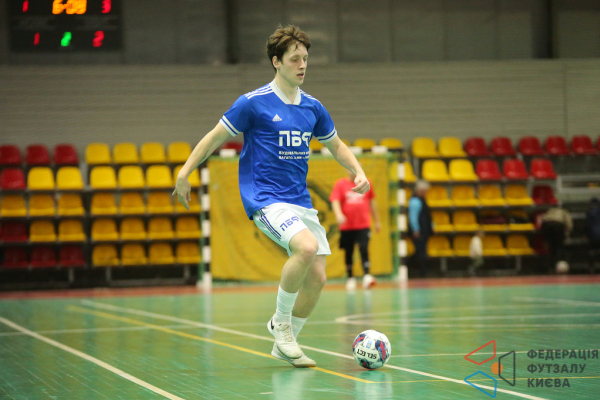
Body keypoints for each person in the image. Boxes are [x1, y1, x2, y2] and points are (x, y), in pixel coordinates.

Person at [172, 25, 371, 368]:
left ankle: (285, 341)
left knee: (318, 278)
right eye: (294, 59)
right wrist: (184, 172)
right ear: (276, 62)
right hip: (265, 197)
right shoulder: (252, 103)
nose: (302, 65)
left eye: (305, 58)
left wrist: (358, 170)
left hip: (299, 200)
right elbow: (214, 137)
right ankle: (281, 325)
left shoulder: (313, 107)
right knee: (305, 248)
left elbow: (336, 145)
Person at [330, 170, 381, 291]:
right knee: (348, 251)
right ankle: (350, 278)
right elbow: (335, 200)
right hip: (347, 226)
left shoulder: (366, 183)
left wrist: (377, 220)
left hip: (363, 224)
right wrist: (338, 214)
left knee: (364, 248)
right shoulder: (340, 184)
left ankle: (367, 276)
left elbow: (372, 202)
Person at [408, 180, 432, 277]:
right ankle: (421, 272)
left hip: (424, 230)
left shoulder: (422, 199)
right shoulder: (415, 201)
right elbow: (413, 217)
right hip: (419, 231)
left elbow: (427, 215)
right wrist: (415, 229)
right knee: (420, 252)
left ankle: (421, 271)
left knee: (421, 251)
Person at [540, 206, 573, 272]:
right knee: (559, 247)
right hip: (558, 225)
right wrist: (566, 235)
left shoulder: (550, 211)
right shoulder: (564, 212)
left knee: (550, 247)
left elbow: (543, 221)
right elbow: (569, 225)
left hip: (546, 225)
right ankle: (558, 265)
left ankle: (549, 266)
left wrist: (545, 238)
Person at [585, 198, 600, 271]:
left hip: (594, 235)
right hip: (595, 234)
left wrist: (586, 235)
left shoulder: (590, 213)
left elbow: (587, 225)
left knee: (592, 251)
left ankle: (591, 267)